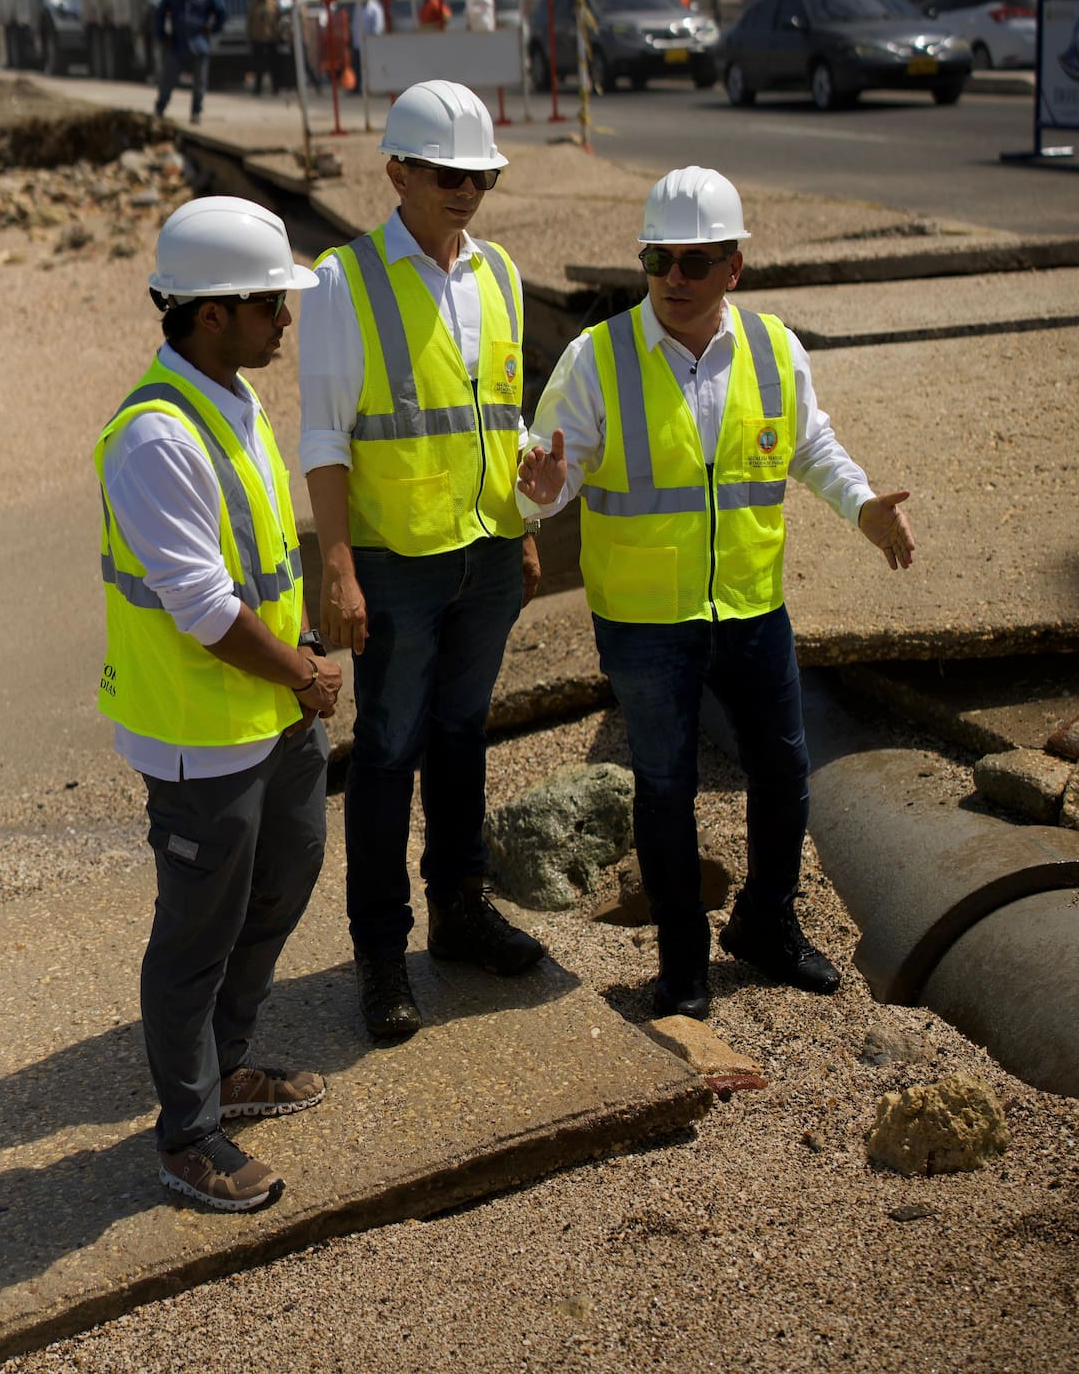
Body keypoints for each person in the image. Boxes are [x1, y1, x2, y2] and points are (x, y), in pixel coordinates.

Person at [516, 166, 915, 1021]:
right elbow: (547, 475)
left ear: (734, 266)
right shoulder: (598, 358)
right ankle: (682, 963)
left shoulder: (774, 349)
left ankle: (766, 923)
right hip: (644, 619)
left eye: (696, 261)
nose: (675, 277)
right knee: (665, 786)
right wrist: (540, 491)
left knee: (784, 770)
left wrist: (863, 507)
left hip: (750, 605)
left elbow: (811, 446)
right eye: (658, 259)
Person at [95, 196, 343, 1212]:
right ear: (209, 314)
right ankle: (189, 1135)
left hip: (272, 712)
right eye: (270, 303)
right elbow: (203, 608)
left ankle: (225, 1065)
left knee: (285, 879)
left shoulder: (232, 398)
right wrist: (303, 673)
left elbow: (264, 559)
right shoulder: (155, 438)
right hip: (200, 734)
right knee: (195, 937)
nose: (286, 318)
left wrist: (304, 652)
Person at [298, 78, 545, 1044]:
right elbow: (325, 436)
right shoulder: (344, 282)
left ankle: (459, 912)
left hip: (488, 550)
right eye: (448, 174)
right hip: (397, 560)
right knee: (388, 751)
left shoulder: (500, 274)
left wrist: (525, 527)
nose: (466, 191)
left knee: (461, 735)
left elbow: (503, 418)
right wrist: (339, 566)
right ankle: (381, 952)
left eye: (481, 176)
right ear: (396, 172)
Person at [153, 0, 226, 125]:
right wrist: (163, 36)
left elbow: (222, 12)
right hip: (177, 44)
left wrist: (212, 29)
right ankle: (160, 109)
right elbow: (159, 17)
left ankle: (196, 112)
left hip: (199, 44)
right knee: (168, 80)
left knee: (200, 82)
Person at [246, 0, 283, 97]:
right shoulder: (253, 5)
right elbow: (249, 22)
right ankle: (258, 88)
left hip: (271, 38)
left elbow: (279, 20)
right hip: (258, 39)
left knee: (274, 65)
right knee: (258, 65)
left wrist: (279, 34)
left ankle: (276, 87)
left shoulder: (273, 4)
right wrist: (250, 37)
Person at [353, 0, 385, 90]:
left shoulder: (375, 9)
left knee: (371, 67)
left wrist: (374, 41)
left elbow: (378, 28)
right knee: (357, 66)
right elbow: (355, 25)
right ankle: (358, 87)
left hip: (370, 44)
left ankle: (374, 87)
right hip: (358, 43)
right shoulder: (357, 7)